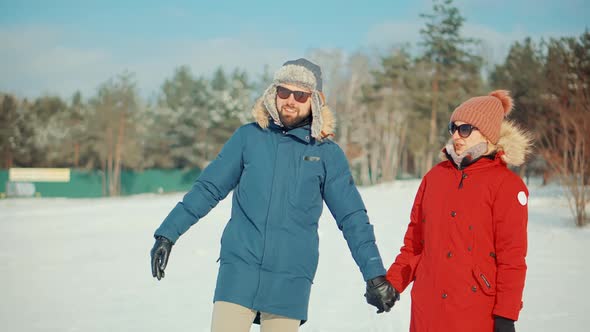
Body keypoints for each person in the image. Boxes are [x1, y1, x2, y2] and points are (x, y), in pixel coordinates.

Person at [150, 58, 398, 332]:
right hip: (239, 270)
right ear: (273, 92)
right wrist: (167, 233)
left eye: (300, 94)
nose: (290, 100)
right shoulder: (248, 138)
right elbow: (208, 188)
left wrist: (374, 274)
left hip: (289, 278)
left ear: (314, 100)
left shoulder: (326, 154)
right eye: (284, 91)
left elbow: (352, 218)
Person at [385, 90, 531, 332]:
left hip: (474, 312)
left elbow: (512, 259)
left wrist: (506, 314)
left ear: (487, 133)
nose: (456, 135)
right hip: (427, 310)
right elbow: (414, 245)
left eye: (465, 129)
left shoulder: (507, 186)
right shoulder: (434, 178)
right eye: (453, 127)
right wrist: (394, 282)